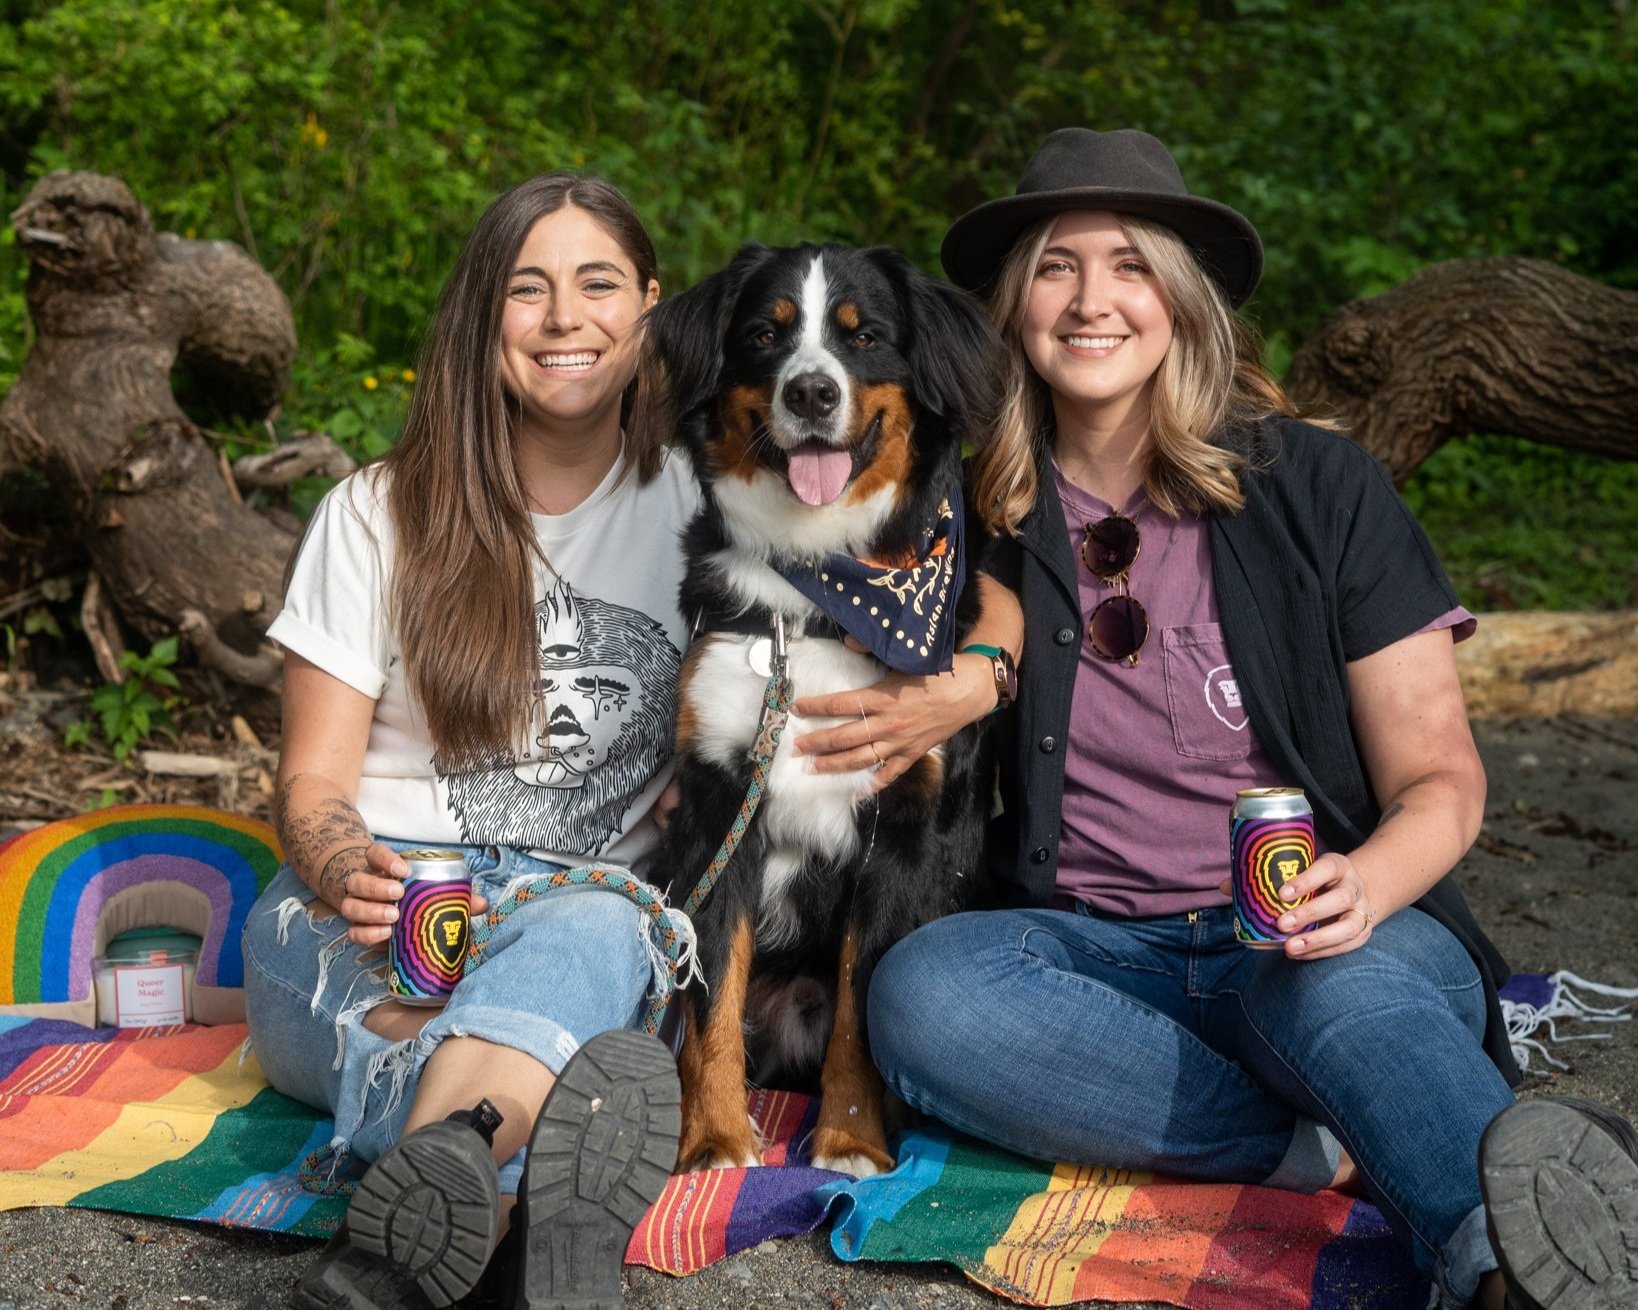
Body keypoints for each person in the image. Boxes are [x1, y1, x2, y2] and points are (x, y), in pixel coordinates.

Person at [865, 127, 1638, 1310]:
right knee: (925, 991)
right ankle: (1318, 1137)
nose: (1091, 300)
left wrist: (1368, 884)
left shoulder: (1321, 487)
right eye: (1056, 268)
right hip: (1091, 953)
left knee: (1335, 991)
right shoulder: (970, 502)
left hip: (1328, 932)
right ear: (1016, 306)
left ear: (1184, 298)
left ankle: (1507, 1266)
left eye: (1129, 264)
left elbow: (1443, 776)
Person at [243, 172, 695, 1310]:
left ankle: (422, 1217)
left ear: (650, 304)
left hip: (579, 905)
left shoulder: (710, 508)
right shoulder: (374, 512)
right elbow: (309, 777)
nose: (562, 320)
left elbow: (920, 555)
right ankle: (516, 1184)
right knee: (379, 985)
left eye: (597, 284)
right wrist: (346, 870)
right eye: (525, 289)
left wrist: (981, 668)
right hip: (377, 905)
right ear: (478, 316)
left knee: (597, 928)